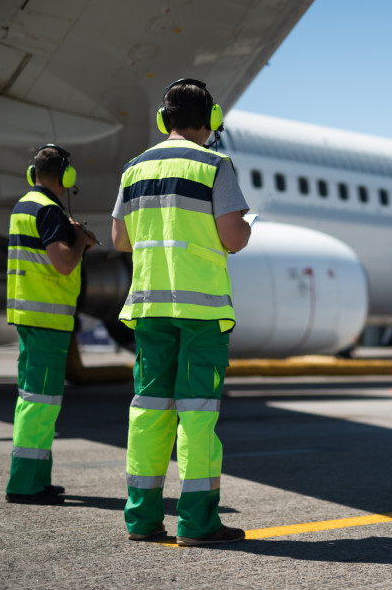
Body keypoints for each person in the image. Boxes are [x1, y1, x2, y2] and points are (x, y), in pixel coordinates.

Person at [112, 78, 251, 545]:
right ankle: (197, 522)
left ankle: (142, 521)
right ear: (210, 120)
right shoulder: (215, 164)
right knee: (197, 414)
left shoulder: (134, 168)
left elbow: (120, 241)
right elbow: (232, 238)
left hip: (150, 306)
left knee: (148, 411)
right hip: (201, 310)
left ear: (163, 119)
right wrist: (244, 229)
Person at [5, 144, 97, 504]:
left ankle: (38, 478)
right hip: (47, 318)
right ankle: (25, 485)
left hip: (30, 315)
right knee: (40, 402)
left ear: (34, 173)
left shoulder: (24, 205)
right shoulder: (49, 211)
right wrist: (80, 241)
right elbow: (62, 263)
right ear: (66, 177)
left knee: (37, 399)